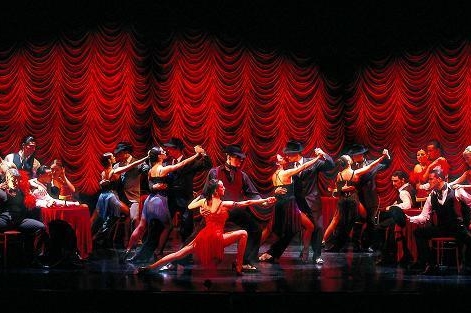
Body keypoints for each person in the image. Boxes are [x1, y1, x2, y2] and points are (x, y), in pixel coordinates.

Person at [136, 178, 277, 275]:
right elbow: (245, 203)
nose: (224, 188)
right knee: (243, 233)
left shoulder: (204, 202)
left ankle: (150, 267)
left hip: (203, 237)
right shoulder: (223, 204)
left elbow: (190, 206)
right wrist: (265, 200)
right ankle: (239, 266)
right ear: (216, 190)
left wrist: (198, 198)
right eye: (222, 187)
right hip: (216, 238)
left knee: (179, 253)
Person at [122, 145, 206, 263]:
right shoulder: (162, 169)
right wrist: (196, 155)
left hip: (149, 201)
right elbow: (181, 164)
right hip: (159, 201)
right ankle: (159, 252)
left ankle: (128, 250)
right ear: (159, 156)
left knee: (141, 226)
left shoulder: (151, 170)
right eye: (162, 152)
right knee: (168, 226)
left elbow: (151, 184)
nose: (165, 152)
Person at [201, 144, 271, 271]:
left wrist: (262, 202)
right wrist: (203, 207)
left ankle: (245, 261)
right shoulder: (214, 172)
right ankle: (177, 261)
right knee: (197, 234)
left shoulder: (242, 175)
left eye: (241, 158)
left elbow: (253, 193)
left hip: (235, 210)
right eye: (238, 158)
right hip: (218, 211)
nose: (240, 160)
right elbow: (205, 193)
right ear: (228, 157)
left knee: (255, 229)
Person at [157, 137, 212, 269]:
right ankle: (158, 252)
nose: (167, 150)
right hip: (170, 198)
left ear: (176, 149)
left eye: (170, 148)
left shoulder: (190, 162)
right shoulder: (168, 162)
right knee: (165, 224)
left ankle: (186, 257)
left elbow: (207, 165)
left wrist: (203, 153)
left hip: (185, 199)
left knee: (186, 228)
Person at [258, 153, 322, 263]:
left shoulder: (274, 175)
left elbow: (279, 190)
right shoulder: (285, 173)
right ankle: (305, 254)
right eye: (280, 158)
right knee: (310, 226)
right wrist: (317, 158)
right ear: (277, 163)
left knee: (271, 229)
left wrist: (275, 192)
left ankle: (254, 251)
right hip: (289, 205)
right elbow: (304, 166)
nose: (284, 158)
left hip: (280, 204)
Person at [322, 150, 390, 253]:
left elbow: (339, 190)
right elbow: (371, 166)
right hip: (353, 200)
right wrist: (382, 157)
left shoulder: (339, 174)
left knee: (340, 221)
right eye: (350, 158)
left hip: (343, 201)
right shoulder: (355, 172)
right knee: (359, 219)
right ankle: (356, 242)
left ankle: (328, 242)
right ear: (348, 162)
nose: (352, 158)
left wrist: (345, 189)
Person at [406, 169, 471, 275]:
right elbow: (423, 216)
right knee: (418, 233)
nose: (429, 182)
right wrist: (410, 218)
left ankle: (467, 265)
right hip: (442, 228)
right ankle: (431, 264)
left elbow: (470, 202)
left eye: (431, 179)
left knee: (469, 238)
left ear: (439, 179)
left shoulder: (456, 191)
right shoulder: (432, 195)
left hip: (457, 227)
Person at [281, 140, 335, 264]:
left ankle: (317, 255)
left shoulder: (312, 162)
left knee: (318, 227)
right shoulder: (289, 167)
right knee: (305, 228)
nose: (287, 157)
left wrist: (323, 154)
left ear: (296, 153)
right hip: (298, 202)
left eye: (288, 154)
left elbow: (331, 165)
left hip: (312, 200)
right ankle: (304, 251)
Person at [90, 152, 149, 246]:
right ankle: (97, 237)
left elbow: (103, 185)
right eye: (112, 157)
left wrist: (102, 183)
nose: (114, 157)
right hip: (111, 197)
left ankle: (92, 238)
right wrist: (146, 157)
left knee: (96, 218)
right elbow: (133, 165)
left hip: (103, 196)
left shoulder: (103, 172)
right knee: (127, 213)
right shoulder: (115, 171)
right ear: (109, 160)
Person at [0, 168, 47, 267]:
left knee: (41, 227)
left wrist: (35, 188)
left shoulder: (21, 192)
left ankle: (33, 257)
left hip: (20, 221)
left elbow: (31, 198)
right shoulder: (1, 191)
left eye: (17, 178)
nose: (14, 180)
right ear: (7, 178)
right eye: (12, 177)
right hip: (4, 220)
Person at [349, 143, 391, 252]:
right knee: (357, 222)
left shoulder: (371, 164)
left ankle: (367, 245)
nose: (354, 157)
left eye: (356, 155)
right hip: (357, 198)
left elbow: (386, 164)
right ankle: (356, 245)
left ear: (361, 155)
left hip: (370, 198)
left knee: (371, 222)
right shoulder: (351, 167)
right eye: (353, 155)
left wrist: (387, 156)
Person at [374, 170, 416, 267]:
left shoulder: (404, 191)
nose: (393, 184)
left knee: (379, 228)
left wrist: (392, 207)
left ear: (403, 180)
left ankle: (385, 255)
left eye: (396, 181)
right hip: (404, 218)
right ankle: (387, 254)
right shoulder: (408, 187)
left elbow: (407, 205)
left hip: (401, 219)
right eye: (392, 181)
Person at [113, 141, 150, 231]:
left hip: (133, 197)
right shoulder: (117, 165)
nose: (117, 155)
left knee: (134, 218)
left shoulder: (137, 163)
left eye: (119, 153)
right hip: (121, 198)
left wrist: (147, 168)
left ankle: (137, 240)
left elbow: (147, 169)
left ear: (126, 152)